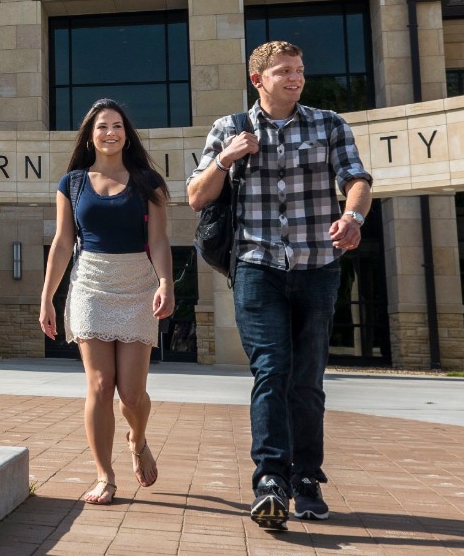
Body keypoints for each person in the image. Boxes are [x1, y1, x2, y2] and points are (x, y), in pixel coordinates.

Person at [186, 41, 371, 531]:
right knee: (272, 370)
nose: (295, 78)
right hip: (256, 266)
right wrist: (225, 160)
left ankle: (307, 478)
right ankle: (271, 479)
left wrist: (352, 215)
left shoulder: (329, 124)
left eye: (300, 71)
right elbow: (195, 197)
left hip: (318, 266)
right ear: (258, 80)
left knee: (306, 380)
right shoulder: (230, 128)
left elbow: (356, 178)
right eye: (284, 71)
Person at [38, 99, 174, 506]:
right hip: (90, 284)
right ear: (90, 134)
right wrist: (46, 297)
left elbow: (160, 240)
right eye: (102, 126)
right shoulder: (73, 183)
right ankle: (105, 476)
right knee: (100, 384)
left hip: (137, 285)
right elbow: (63, 244)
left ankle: (138, 438)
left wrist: (166, 282)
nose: (110, 132)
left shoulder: (148, 182)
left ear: (126, 133)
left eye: (117, 125)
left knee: (132, 395)